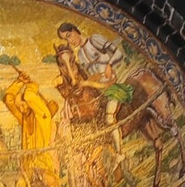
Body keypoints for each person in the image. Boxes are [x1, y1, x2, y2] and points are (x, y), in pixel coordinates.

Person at [57, 22, 134, 163]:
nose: (70, 40)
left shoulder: (94, 39)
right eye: (66, 39)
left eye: (69, 35)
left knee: (109, 118)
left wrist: (109, 65)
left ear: (75, 30)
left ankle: (119, 153)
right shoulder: (80, 53)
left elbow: (117, 53)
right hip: (99, 89)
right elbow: (93, 75)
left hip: (112, 86)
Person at [2, 70, 69, 187]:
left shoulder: (43, 115)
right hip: (28, 163)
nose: (21, 108)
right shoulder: (24, 118)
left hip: (43, 162)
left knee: (51, 184)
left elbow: (30, 96)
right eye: (20, 106)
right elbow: (8, 99)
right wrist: (19, 81)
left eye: (23, 105)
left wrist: (31, 85)